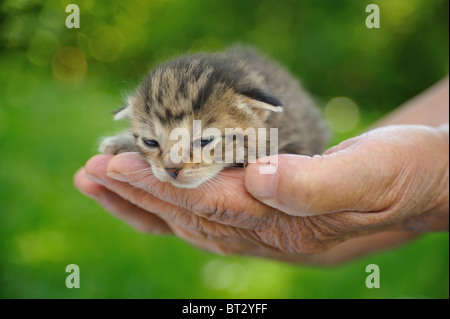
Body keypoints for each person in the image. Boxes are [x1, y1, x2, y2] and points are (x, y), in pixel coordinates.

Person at [74, 76, 449, 265]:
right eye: (151, 144)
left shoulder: (265, 128)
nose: (173, 167)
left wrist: (437, 175)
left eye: (202, 144)